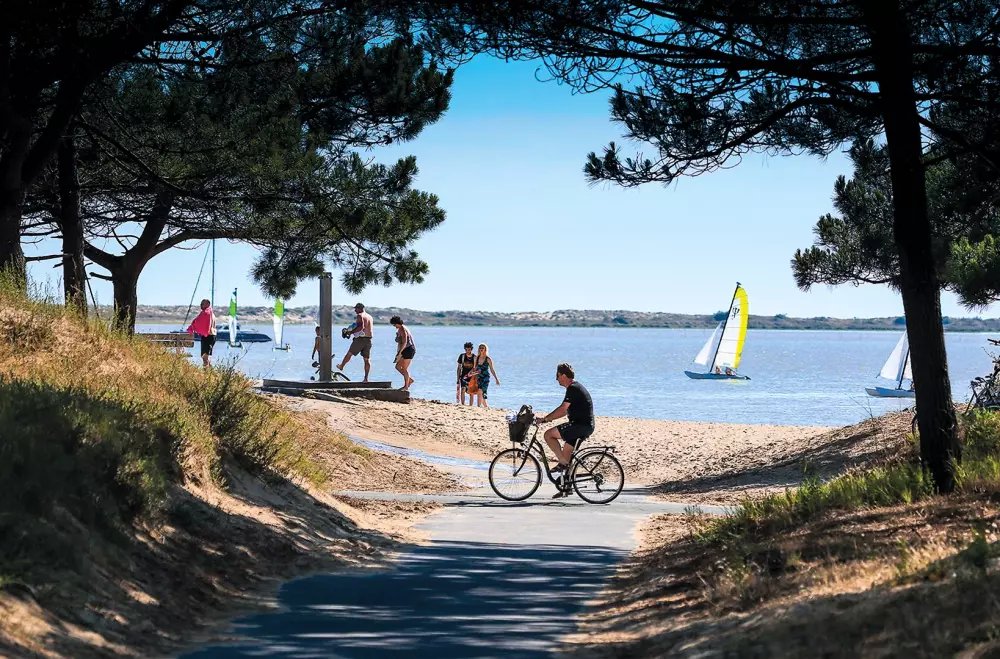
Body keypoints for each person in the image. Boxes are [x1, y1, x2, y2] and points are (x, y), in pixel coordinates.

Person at [536, 363, 594, 498]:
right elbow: (565, 410)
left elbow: (562, 410)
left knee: (548, 434)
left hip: (580, 426)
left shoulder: (573, 388)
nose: (556, 379)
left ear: (563, 375)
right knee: (567, 452)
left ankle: (562, 463)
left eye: (557, 376)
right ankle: (566, 488)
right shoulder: (574, 387)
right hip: (582, 425)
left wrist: (545, 419)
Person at [336, 302, 374, 382]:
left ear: (360, 308)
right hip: (369, 339)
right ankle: (366, 378)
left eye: (356, 308)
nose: (355, 310)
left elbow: (361, 327)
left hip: (361, 339)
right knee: (366, 359)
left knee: (349, 353)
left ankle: (341, 366)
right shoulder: (369, 316)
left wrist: (350, 332)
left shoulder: (360, 315)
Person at [186, 299, 217, 369]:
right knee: (204, 356)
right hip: (209, 336)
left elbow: (199, 322)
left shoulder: (207, 313)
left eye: (203, 303)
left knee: (204, 356)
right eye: (201, 303)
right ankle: (209, 370)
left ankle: (206, 371)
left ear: (208, 304)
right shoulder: (209, 312)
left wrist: (193, 326)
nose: (201, 305)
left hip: (209, 336)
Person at [471, 343, 500, 408]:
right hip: (478, 377)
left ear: (485, 349)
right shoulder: (476, 358)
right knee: (481, 393)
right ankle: (486, 407)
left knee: (480, 392)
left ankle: (478, 407)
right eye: (480, 348)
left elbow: (492, 369)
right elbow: (474, 368)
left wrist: (496, 379)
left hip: (485, 378)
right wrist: (470, 377)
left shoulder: (488, 359)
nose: (481, 349)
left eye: (482, 348)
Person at [391, 316, 415, 390]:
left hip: (408, 350)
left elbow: (404, 342)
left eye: (394, 325)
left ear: (397, 323)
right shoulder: (399, 329)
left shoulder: (403, 329)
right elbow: (400, 343)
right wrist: (398, 353)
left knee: (404, 369)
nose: (394, 326)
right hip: (403, 350)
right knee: (397, 367)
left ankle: (406, 386)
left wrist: (399, 353)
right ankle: (409, 380)